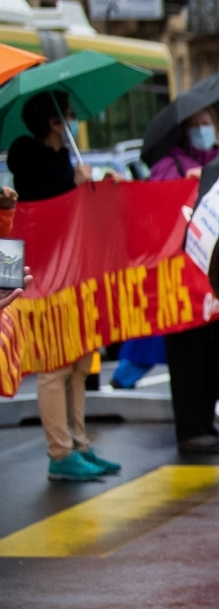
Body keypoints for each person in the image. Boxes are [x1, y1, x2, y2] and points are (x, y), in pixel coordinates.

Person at [9, 91, 121, 481]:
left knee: (77, 362)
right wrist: (75, 187)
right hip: (45, 273)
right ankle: (60, 452)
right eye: (69, 117)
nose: (73, 122)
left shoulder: (61, 159)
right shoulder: (30, 162)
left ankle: (80, 444)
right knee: (55, 365)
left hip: (72, 270)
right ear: (54, 123)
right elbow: (49, 211)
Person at [147, 105, 219, 455]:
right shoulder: (170, 164)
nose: (202, 130)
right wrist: (189, 181)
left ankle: (206, 425)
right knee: (186, 354)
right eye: (195, 125)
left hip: (212, 274)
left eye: (207, 124)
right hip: (178, 277)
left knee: (210, 351)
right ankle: (189, 430)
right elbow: (157, 200)